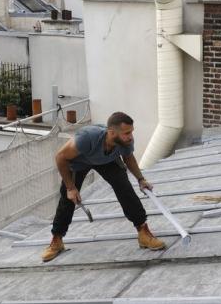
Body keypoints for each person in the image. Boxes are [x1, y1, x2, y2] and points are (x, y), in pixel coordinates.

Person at [41, 111, 166, 262]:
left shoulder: (125, 141)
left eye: (131, 132)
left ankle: (143, 233)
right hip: (80, 162)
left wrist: (141, 179)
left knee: (125, 189)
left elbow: (128, 157)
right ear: (112, 133)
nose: (131, 136)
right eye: (127, 133)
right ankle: (56, 240)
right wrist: (70, 188)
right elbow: (60, 157)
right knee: (68, 199)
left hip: (108, 161)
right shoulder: (87, 138)